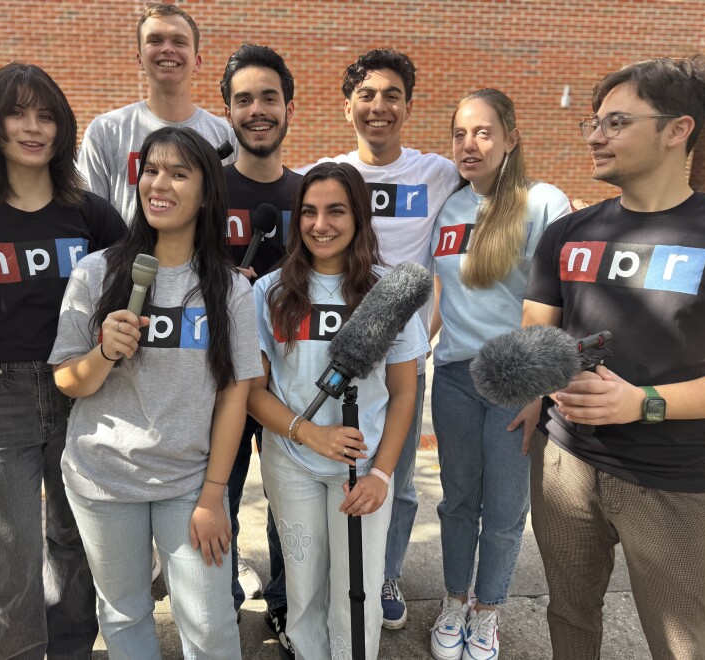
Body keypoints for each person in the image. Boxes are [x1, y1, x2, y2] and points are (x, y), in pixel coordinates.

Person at [523, 55, 705, 659]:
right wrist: (538, 391)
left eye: (615, 123)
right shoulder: (568, 233)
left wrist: (644, 403)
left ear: (678, 129)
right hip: (564, 464)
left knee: (683, 644)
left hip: (671, 484)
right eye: (593, 122)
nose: (594, 136)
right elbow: (537, 334)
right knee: (569, 618)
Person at [0, 62, 127, 659]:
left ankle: (70, 651)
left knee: (74, 541)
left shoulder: (89, 214)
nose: (32, 126)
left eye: (46, 115)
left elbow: (130, 281)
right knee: (14, 552)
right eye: (17, 112)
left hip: (81, 390)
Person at [49, 126, 263, 659]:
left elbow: (237, 393)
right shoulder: (96, 272)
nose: (159, 183)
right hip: (102, 477)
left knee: (211, 623)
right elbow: (66, 380)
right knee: (123, 614)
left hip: (188, 481)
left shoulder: (230, 288)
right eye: (151, 170)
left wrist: (216, 494)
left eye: (178, 172)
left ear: (207, 191)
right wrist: (103, 353)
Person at [248, 162, 428, 660]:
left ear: (358, 218)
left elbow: (404, 394)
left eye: (335, 210)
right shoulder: (269, 291)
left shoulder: (388, 290)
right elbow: (253, 391)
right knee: (303, 587)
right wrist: (309, 434)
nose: (320, 224)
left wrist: (383, 476)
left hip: (364, 468)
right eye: (308, 211)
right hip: (293, 462)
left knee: (360, 587)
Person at [307, 48, 461, 627]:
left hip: (403, 355)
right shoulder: (325, 173)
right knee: (327, 465)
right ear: (348, 106)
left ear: (408, 106)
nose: (379, 106)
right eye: (367, 95)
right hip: (332, 349)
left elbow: (490, 199)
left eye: (391, 95)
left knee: (392, 477)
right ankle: (322, 575)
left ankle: (386, 570)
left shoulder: (437, 174)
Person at [427, 89, 571, 660]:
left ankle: (488, 613)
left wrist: (540, 385)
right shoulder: (450, 208)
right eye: (460, 134)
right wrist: (422, 347)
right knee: (458, 500)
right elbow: (447, 292)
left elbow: (555, 299)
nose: (470, 144)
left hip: (514, 379)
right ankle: (454, 600)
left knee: (506, 508)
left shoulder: (541, 202)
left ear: (511, 137)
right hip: (455, 376)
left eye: (483, 132)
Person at [219, 43, 300, 655]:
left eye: (268, 97)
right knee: (216, 491)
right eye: (243, 99)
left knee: (287, 500)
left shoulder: (311, 194)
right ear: (227, 110)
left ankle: (285, 601)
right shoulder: (204, 192)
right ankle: (215, 597)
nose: (257, 110)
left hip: (290, 379)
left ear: (288, 107)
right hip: (214, 378)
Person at [77, 2, 236, 224]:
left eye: (179, 41)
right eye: (155, 40)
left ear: (197, 62)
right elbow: (90, 219)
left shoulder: (225, 136)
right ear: (140, 58)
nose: (167, 48)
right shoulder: (106, 132)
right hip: (122, 258)